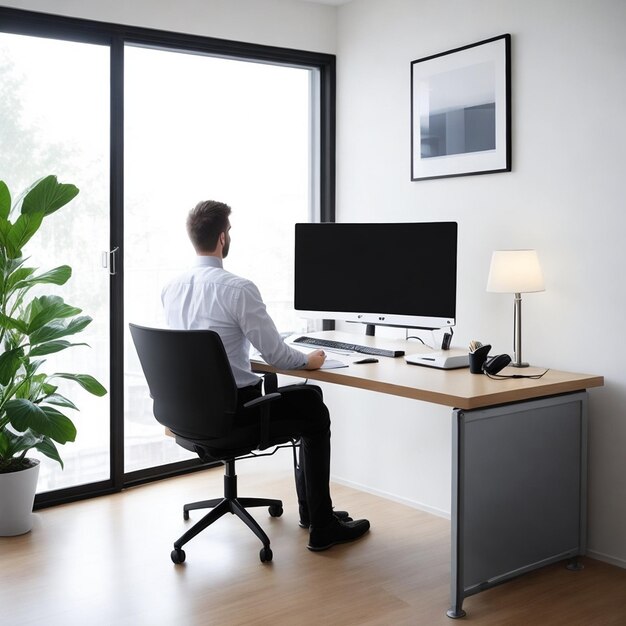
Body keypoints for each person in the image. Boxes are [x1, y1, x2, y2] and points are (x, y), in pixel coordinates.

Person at [161, 200, 370, 551]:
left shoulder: (172, 288)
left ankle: (315, 515)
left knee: (306, 401)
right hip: (235, 418)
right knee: (312, 405)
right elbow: (276, 355)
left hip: (189, 418)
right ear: (223, 238)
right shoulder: (237, 289)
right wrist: (310, 360)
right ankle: (321, 525)